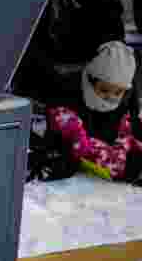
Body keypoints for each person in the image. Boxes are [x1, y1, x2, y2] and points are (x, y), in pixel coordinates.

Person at [45, 41, 142, 182]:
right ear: (90, 80)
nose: (110, 97)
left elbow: (129, 127)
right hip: (73, 146)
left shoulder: (123, 102)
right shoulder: (67, 99)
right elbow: (82, 146)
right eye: (104, 90)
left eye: (118, 92)